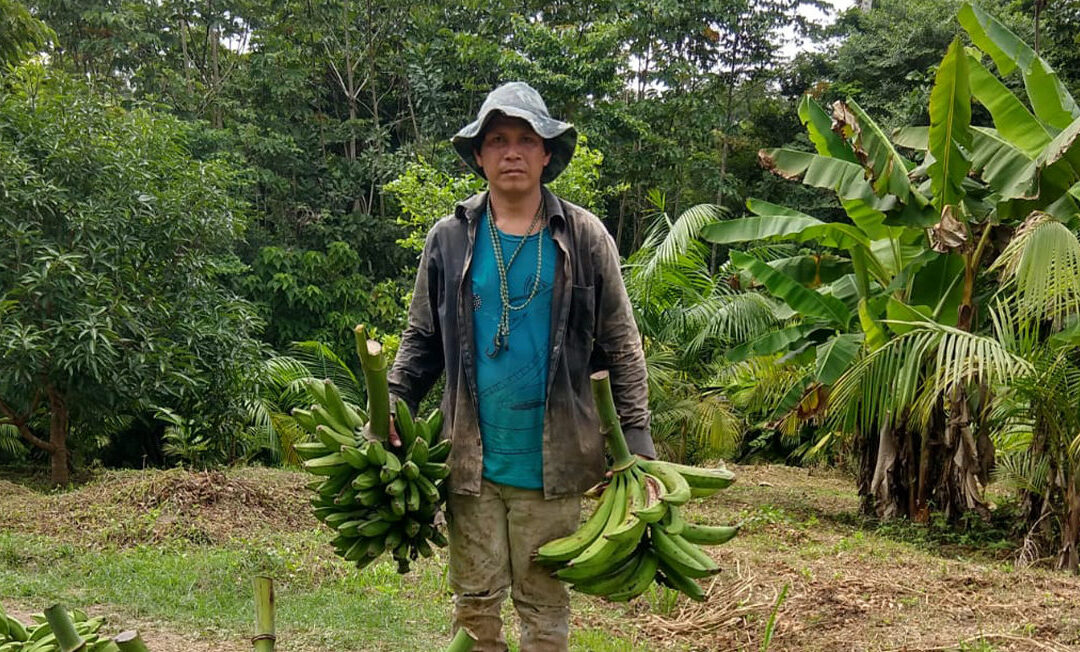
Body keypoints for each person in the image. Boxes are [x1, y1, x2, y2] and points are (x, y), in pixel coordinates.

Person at [386, 81, 654, 652]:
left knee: (544, 609)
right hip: (469, 461)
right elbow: (421, 338)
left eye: (526, 140)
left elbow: (621, 345)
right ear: (479, 156)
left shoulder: (584, 237)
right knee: (475, 607)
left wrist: (636, 437)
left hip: (553, 465)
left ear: (547, 155)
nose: (512, 151)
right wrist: (395, 399)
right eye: (498, 140)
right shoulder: (449, 238)